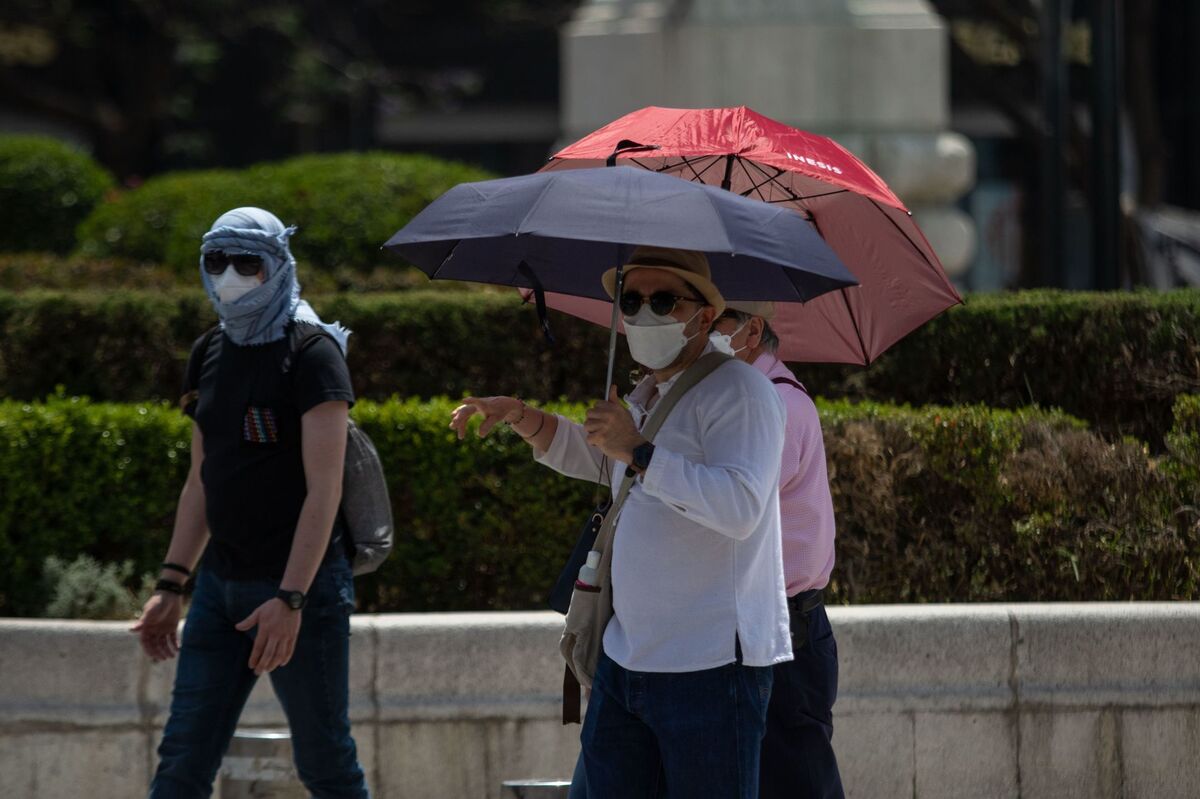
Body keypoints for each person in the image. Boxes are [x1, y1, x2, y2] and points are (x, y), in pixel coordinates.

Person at [450, 247, 792, 799]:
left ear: (705, 317)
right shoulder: (646, 392)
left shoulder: (741, 391)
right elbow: (603, 464)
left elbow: (739, 507)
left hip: (710, 666)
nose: (643, 314)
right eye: (631, 300)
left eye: (663, 300)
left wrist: (639, 451)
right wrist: (520, 415)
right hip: (626, 657)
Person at [131, 207, 369, 799]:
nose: (230, 275)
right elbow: (200, 481)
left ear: (277, 265)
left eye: (247, 262)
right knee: (182, 760)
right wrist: (171, 583)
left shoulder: (312, 353)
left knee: (325, 764)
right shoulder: (208, 350)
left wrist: (290, 599)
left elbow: (325, 489)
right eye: (217, 261)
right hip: (219, 587)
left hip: (300, 592)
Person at [710, 301, 845, 799]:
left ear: (752, 330)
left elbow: (734, 508)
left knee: (797, 779)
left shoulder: (776, 405)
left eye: (715, 322)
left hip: (788, 628)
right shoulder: (759, 398)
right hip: (772, 624)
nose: (702, 335)